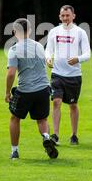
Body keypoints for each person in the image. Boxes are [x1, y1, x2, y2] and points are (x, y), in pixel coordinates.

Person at [5, 18, 58, 160]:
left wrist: (7, 92)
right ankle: (46, 137)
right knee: (42, 119)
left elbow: (11, 74)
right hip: (43, 89)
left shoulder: (14, 49)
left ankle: (14, 151)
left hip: (25, 90)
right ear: (30, 31)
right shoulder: (39, 46)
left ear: (15, 31)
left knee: (15, 118)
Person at [45, 5, 91, 145]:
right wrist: (48, 59)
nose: (65, 18)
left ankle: (74, 135)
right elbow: (48, 50)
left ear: (73, 16)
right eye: (63, 15)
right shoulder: (54, 31)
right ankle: (55, 135)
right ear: (59, 17)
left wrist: (78, 59)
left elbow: (87, 54)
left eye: (68, 15)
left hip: (74, 76)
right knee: (56, 102)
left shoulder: (80, 32)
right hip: (57, 74)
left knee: (73, 105)